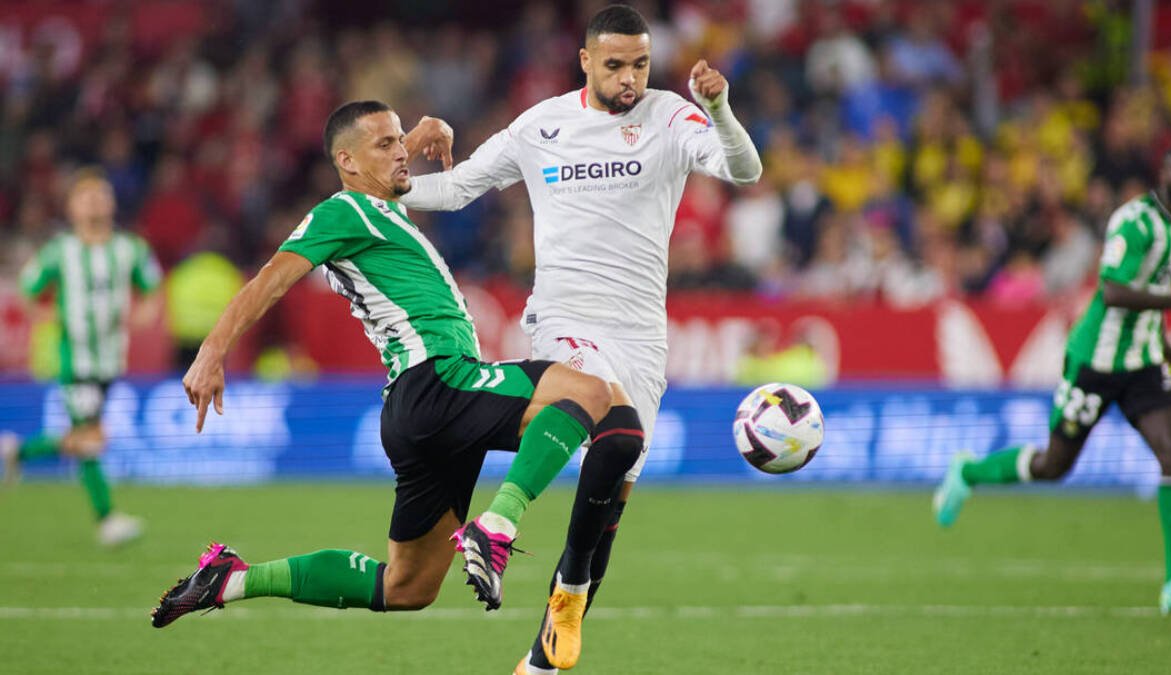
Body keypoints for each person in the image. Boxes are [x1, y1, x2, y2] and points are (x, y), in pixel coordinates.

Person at [150, 101, 614, 628]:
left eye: (399, 142)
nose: (400, 154)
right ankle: (498, 525)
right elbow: (271, 279)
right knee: (591, 395)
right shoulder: (341, 212)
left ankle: (232, 578)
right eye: (386, 145)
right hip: (440, 378)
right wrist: (212, 352)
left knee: (407, 587)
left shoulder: (377, 203)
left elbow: (385, 164)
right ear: (346, 162)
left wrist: (418, 133)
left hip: (414, 412)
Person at [398, 6, 763, 672]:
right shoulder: (543, 125)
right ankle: (502, 524)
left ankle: (547, 642)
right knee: (604, 414)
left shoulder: (673, 118)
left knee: (617, 475)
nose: (630, 79)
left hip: (641, 332)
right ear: (586, 60)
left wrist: (719, 107)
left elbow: (744, 170)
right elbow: (456, 188)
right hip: (563, 319)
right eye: (617, 64)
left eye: (641, 65)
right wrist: (379, 189)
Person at [934, 138, 1171, 615]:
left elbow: (1152, 287)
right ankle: (968, 471)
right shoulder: (1132, 221)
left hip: (1140, 364)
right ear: (1165, 174)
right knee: (1054, 465)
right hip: (1094, 363)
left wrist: (1162, 346)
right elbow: (1116, 291)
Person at [1, 169, 162, 547]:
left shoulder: (129, 248)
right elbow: (27, 290)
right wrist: (49, 317)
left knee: (85, 437)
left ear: (112, 202)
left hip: (110, 361)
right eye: (85, 196)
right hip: (77, 360)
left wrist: (144, 313)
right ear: (72, 207)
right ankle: (106, 519)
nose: (94, 201)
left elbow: (152, 289)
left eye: (100, 194)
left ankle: (15, 451)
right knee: (91, 438)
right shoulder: (60, 251)